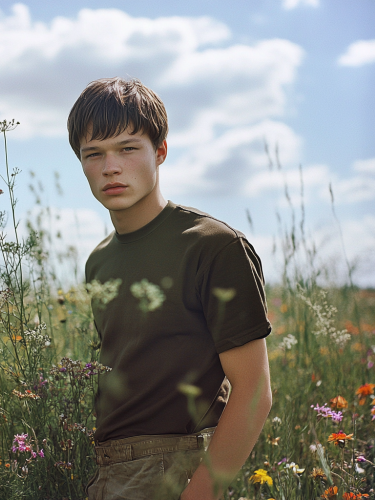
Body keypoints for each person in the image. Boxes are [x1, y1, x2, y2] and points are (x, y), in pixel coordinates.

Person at [67, 77, 272, 500]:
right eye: (94, 154)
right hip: (107, 472)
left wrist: (198, 494)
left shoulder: (213, 245)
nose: (111, 167)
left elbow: (254, 392)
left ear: (159, 151)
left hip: (175, 468)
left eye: (127, 148)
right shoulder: (98, 260)